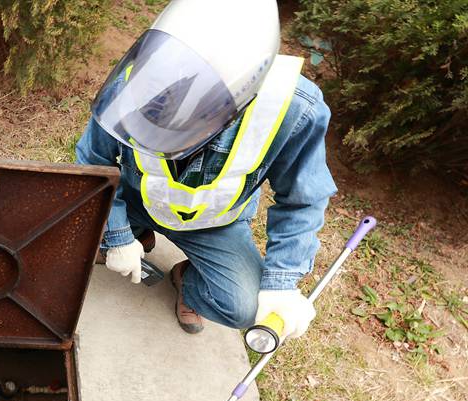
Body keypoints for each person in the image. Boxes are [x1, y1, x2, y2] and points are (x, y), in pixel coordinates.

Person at [77, 0, 337, 339]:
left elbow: (302, 201)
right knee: (69, 232)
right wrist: (117, 234)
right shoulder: (141, 76)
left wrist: (282, 284)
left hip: (213, 223)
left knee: (243, 306)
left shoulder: (292, 108)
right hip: (136, 197)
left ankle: (188, 281)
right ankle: (138, 234)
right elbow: (92, 160)